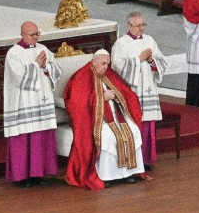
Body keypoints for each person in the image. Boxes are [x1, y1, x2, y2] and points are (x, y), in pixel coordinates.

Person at [64, 50, 145, 190]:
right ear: (94, 61)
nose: (106, 67)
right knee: (108, 136)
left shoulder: (109, 74)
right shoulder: (81, 76)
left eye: (108, 64)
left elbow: (126, 92)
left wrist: (118, 96)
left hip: (116, 115)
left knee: (133, 130)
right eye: (103, 63)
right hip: (95, 119)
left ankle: (128, 173)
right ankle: (106, 176)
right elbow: (77, 104)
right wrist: (102, 97)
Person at [3, 21, 60, 188]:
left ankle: (38, 174)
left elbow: (56, 68)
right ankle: (22, 176)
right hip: (23, 101)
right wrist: (36, 65)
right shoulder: (13, 53)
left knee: (40, 137)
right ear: (22, 34)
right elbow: (18, 77)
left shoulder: (43, 49)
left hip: (41, 100)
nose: (35, 37)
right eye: (32, 34)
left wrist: (46, 67)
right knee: (24, 137)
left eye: (37, 34)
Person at [111, 12, 167, 169]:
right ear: (129, 25)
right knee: (135, 125)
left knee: (148, 125)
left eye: (143, 25)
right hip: (133, 90)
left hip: (149, 87)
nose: (142, 28)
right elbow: (117, 66)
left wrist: (151, 60)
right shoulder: (121, 44)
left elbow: (161, 62)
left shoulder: (150, 40)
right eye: (138, 25)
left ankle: (146, 160)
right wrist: (138, 60)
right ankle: (134, 159)